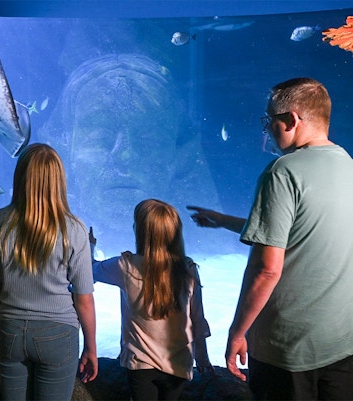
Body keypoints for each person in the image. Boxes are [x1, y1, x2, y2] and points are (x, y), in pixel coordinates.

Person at [195, 78, 353, 400]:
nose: (267, 129)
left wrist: (237, 332)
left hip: (287, 350)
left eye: (269, 120)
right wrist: (224, 221)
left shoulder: (282, 172)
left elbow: (267, 269)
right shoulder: (346, 164)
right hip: (341, 343)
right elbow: (299, 232)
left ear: (291, 120)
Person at [0, 143, 98, 401]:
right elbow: (84, 299)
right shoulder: (73, 229)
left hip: (10, 330)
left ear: (20, 177)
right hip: (59, 334)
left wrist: (4, 330)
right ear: (58, 180)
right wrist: (91, 347)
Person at [90, 199, 213, 401]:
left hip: (141, 364)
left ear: (139, 231)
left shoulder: (125, 266)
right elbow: (197, 318)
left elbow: (90, 269)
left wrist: (89, 246)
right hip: (178, 364)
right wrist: (202, 357)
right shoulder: (188, 269)